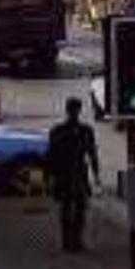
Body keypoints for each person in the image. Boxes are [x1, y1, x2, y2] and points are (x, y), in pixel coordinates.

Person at [46, 97, 101, 252]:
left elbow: (51, 155)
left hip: (69, 173)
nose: (75, 113)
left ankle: (71, 240)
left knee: (73, 208)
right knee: (73, 208)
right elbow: (92, 154)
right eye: (74, 110)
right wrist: (96, 174)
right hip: (72, 173)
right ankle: (72, 240)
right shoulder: (84, 131)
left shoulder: (59, 131)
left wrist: (50, 175)